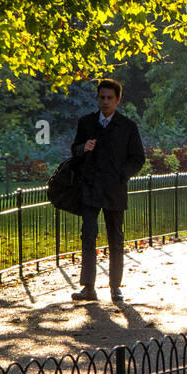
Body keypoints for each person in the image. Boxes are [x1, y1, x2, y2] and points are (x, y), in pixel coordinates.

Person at [70, 79, 146, 302]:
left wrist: (122, 175)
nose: (105, 102)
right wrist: (83, 148)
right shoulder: (86, 123)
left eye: (109, 98)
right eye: (102, 97)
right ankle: (88, 287)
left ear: (118, 99)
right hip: (91, 187)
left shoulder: (127, 126)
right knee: (88, 236)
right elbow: (74, 149)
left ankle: (115, 287)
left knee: (115, 237)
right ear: (98, 98)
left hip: (115, 189)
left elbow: (138, 158)